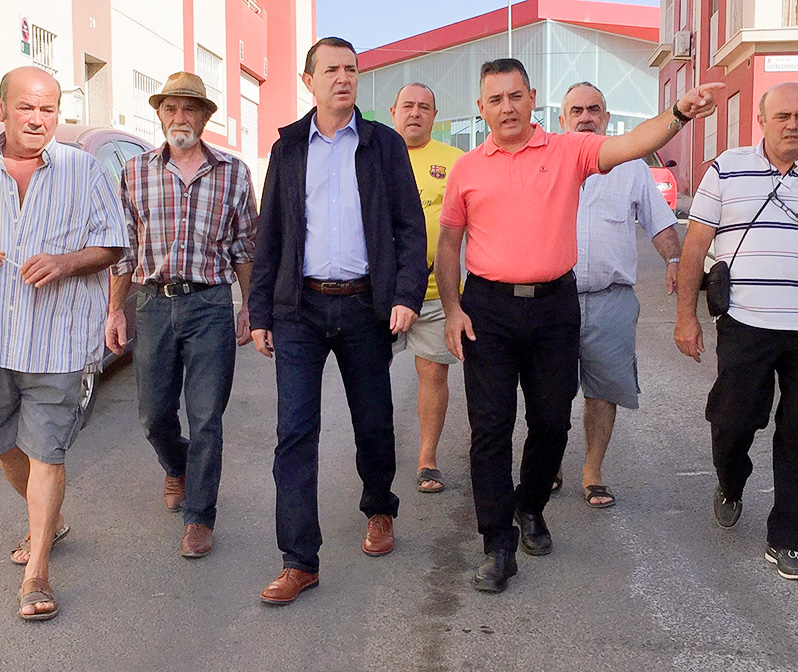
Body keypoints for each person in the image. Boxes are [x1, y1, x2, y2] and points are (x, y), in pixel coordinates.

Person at [435, 58, 721, 593]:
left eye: (515, 96)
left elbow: (632, 145)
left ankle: (531, 506)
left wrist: (680, 113)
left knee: (550, 422)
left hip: (553, 308)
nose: (506, 107)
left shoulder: (569, 151)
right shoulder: (468, 168)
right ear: (482, 108)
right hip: (489, 311)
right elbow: (450, 241)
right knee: (490, 430)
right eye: (494, 100)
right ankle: (496, 545)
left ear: (532, 98)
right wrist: (453, 309)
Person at [0, 66, 126, 620]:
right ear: (3, 107)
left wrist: (65, 262)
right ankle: (51, 521)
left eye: (48, 110)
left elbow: (114, 245)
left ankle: (38, 571)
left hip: (56, 342)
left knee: (46, 450)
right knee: (1, 446)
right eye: (26, 108)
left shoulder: (85, 172)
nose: (37, 120)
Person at [249, 37, 427, 605]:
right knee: (295, 433)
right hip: (298, 308)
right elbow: (270, 233)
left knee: (373, 421)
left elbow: (408, 227)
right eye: (331, 70)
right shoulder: (289, 149)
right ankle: (299, 560)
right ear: (310, 81)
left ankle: (379, 508)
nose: (343, 78)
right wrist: (260, 312)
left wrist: (406, 295)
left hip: (364, 307)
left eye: (351, 69)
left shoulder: (384, 145)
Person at [673, 82, 798, 581]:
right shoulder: (725, 169)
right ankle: (731, 481)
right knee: (733, 419)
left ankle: (787, 539)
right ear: (762, 119)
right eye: (783, 115)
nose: (793, 124)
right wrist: (685, 316)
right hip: (747, 323)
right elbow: (696, 245)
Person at [106, 71, 257, 559]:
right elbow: (125, 250)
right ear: (160, 114)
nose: (179, 117)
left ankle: (199, 517)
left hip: (211, 303)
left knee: (207, 415)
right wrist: (115, 311)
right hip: (153, 303)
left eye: (189, 108)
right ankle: (178, 466)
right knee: (153, 415)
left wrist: (250, 306)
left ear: (206, 116)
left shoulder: (233, 173)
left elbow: (245, 247)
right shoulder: (135, 172)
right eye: (171, 108)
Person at [557, 82, 683, 509]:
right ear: (562, 119)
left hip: (611, 298)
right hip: (554, 298)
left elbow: (659, 222)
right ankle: (549, 464)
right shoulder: (550, 163)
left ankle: (592, 473)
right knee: (550, 391)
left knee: (603, 389)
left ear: (607, 117)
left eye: (595, 109)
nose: (586, 117)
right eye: (576, 110)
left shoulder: (630, 166)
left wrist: (674, 262)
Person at [388, 82, 465, 494]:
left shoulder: (455, 161)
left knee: (432, 373)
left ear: (435, 116)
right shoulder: (374, 156)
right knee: (370, 377)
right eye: (408, 106)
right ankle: (377, 453)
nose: (415, 113)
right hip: (381, 293)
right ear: (392, 110)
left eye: (424, 106)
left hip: (437, 293)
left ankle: (427, 458)